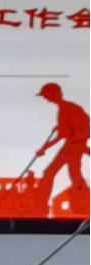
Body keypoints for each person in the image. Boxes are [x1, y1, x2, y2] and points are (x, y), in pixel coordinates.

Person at [36, 84, 90, 214]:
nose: (46, 99)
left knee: (51, 173)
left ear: (54, 94)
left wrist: (44, 148)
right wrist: (62, 126)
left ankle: (41, 207)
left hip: (73, 146)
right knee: (74, 174)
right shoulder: (67, 108)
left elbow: (63, 135)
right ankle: (83, 202)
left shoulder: (67, 108)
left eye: (46, 95)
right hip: (73, 145)